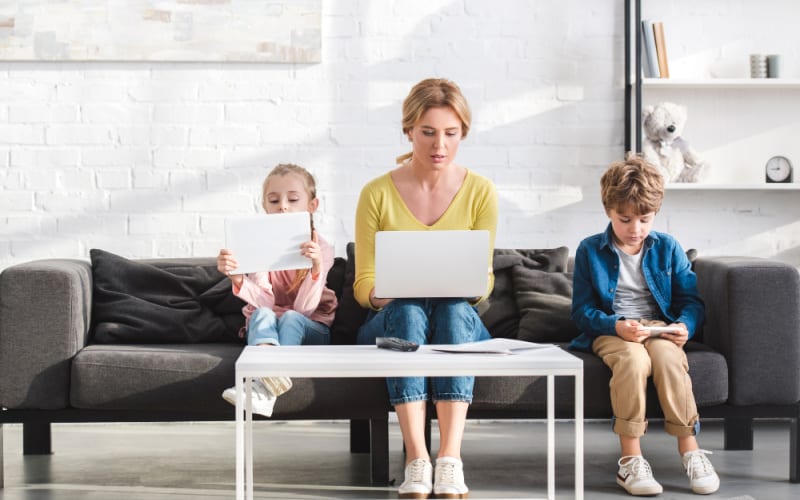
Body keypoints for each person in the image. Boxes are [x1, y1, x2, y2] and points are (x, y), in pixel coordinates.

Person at [354, 78, 498, 499]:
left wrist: (465, 283)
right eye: (428, 132)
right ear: (409, 131)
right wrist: (383, 294)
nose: (440, 145)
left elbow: (483, 283)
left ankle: (449, 459)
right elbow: (363, 282)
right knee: (408, 311)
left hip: (456, 316)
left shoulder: (481, 191)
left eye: (451, 134)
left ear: (463, 134)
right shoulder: (376, 193)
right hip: (394, 316)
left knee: (453, 308)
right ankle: (418, 459)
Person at [569, 154, 720, 496]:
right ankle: (631, 460)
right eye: (625, 219)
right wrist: (616, 325)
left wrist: (684, 326)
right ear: (608, 211)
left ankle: (691, 451)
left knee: (667, 359)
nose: (635, 229)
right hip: (613, 329)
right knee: (634, 360)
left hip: (659, 328)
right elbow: (581, 312)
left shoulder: (668, 248)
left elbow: (691, 302)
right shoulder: (589, 250)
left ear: (655, 215)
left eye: (644, 219)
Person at [217, 163, 337, 417]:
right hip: (272, 328)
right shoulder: (259, 247)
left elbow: (305, 309)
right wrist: (239, 278)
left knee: (292, 317)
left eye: (293, 199)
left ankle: (261, 383)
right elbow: (265, 304)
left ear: (311, 206)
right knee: (260, 315)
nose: (283, 206)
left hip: (310, 328)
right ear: (265, 207)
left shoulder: (321, 248)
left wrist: (315, 269)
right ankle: (266, 389)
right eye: (274, 201)